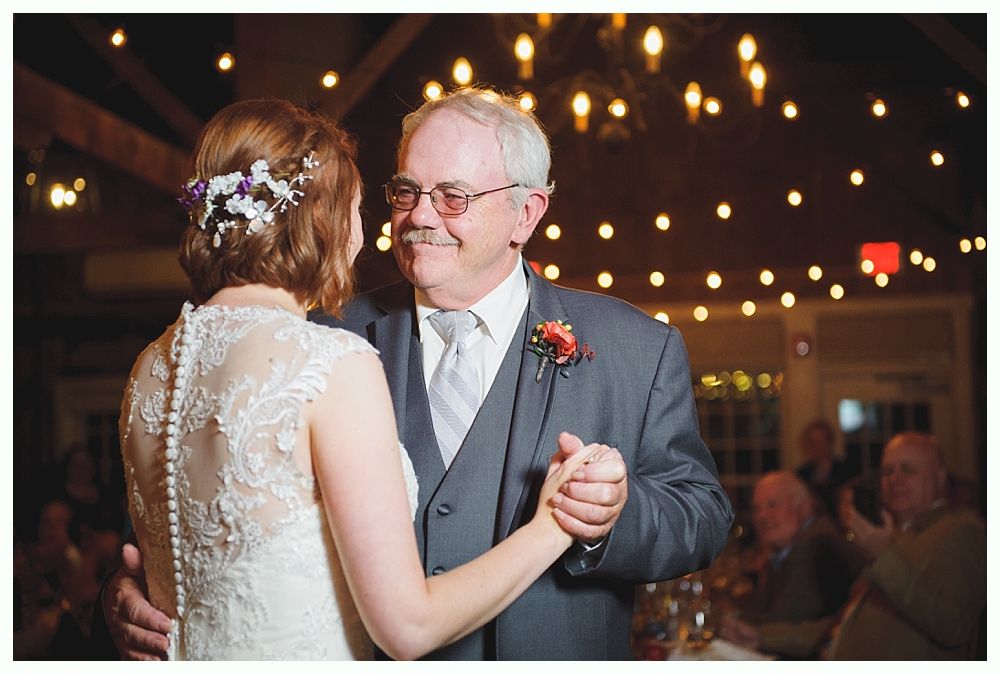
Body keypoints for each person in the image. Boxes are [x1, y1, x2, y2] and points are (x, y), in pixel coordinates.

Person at [104, 87, 733, 660]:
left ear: (526, 213)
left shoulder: (635, 349)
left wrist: (611, 517)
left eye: (453, 196)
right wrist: (131, 589)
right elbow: (203, 510)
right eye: (406, 192)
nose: (419, 217)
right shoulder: (317, 340)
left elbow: (702, 514)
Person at [743, 432, 986, 659]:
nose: (895, 479)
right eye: (887, 471)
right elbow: (844, 625)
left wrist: (883, 555)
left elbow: (952, 623)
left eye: (908, 470)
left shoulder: (963, 530)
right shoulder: (898, 535)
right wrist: (761, 636)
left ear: (940, 476)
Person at [718, 471, 861, 658]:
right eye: (756, 508)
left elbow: (786, 618)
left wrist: (729, 617)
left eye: (772, 505)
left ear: (803, 507)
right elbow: (762, 608)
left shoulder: (816, 543)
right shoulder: (785, 548)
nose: (762, 516)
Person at [794, 419, 853, 517]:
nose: (817, 447)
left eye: (821, 442)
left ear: (830, 443)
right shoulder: (801, 474)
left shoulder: (846, 470)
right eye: (813, 443)